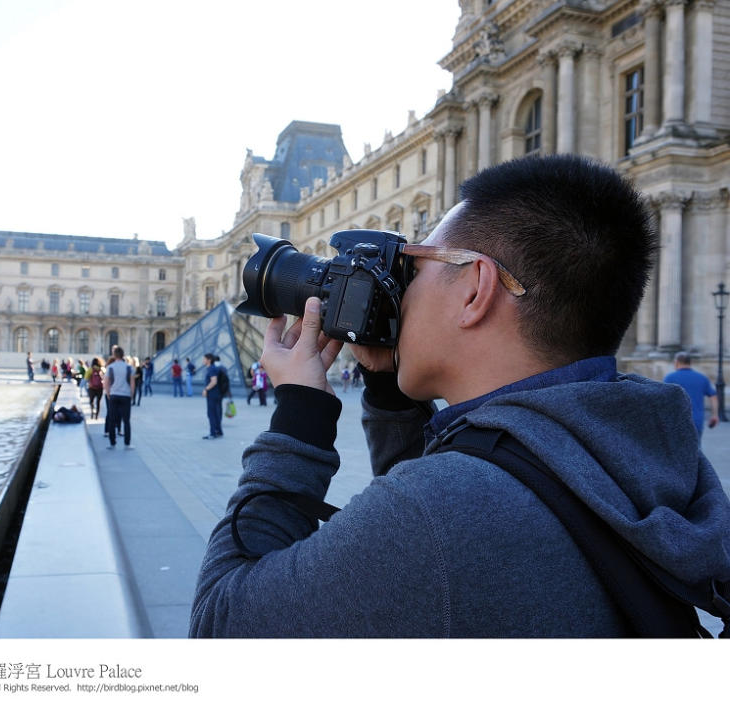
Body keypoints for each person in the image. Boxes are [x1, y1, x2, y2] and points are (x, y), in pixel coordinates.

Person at [189, 154, 730, 638]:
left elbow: (222, 628)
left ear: (476, 288)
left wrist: (299, 417)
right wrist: (389, 388)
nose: (400, 289)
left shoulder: (441, 514)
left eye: (415, 267)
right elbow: (453, 545)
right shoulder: (635, 451)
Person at [664, 352, 719, 442]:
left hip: (676, 421)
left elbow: (664, 399)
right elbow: (713, 396)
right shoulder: (702, 378)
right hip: (696, 421)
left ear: (676, 362)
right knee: (695, 450)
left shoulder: (670, 378)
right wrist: (715, 415)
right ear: (690, 363)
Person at [105, 346, 134, 449]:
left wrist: (108, 393)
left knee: (112, 419)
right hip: (125, 395)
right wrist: (131, 394)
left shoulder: (110, 367)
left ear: (114, 355)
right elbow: (132, 382)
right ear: (123, 355)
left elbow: (107, 382)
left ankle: (112, 443)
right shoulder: (129, 367)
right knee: (126, 420)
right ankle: (127, 444)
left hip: (114, 395)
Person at [201, 353, 223, 439]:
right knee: (215, 413)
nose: (203, 361)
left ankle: (213, 433)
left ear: (209, 360)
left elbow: (214, 381)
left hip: (212, 394)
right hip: (216, 394)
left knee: (211, 414)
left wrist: (206, 389)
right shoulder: (214, 368)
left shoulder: (211, 369)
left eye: (204, 359)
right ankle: (219, 431)